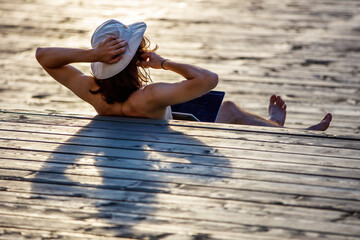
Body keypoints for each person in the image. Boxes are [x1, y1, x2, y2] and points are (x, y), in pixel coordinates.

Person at [36, 19, 332, 131]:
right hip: (162, 123)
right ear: (134, 60)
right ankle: (281, 130)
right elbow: (208, 79)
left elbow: (43, 56)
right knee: (226, 109)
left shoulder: (93, 91)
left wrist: (92, 57)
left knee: (216, 106)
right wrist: (164, 63)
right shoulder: (148, 95)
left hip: (145, 117)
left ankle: (272, 125)